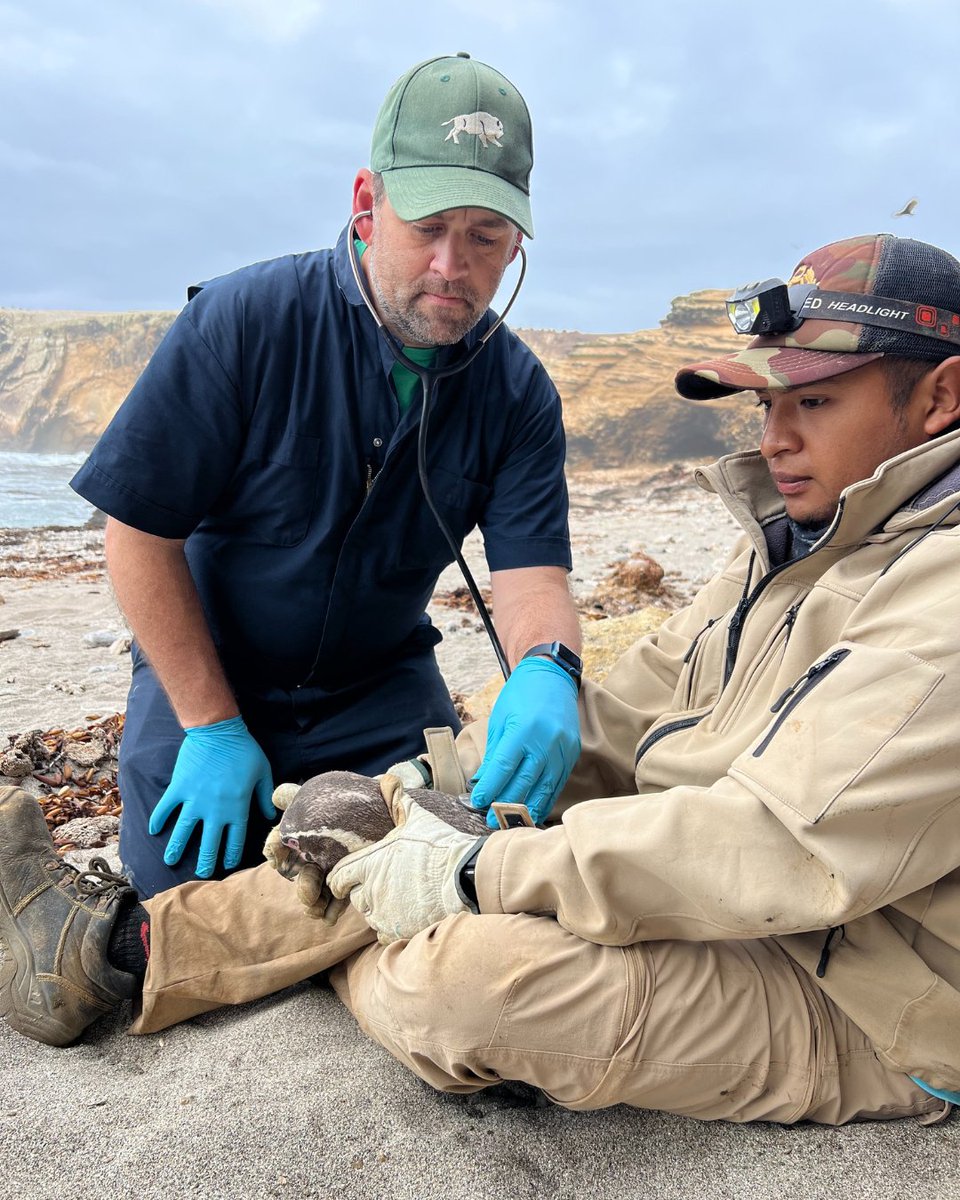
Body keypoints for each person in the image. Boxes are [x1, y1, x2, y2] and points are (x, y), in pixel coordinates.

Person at [4, 232, 959, 1126]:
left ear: (941, 397)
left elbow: (777, 848)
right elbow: (636, 716)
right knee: (384, 818)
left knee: (458, 979)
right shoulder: (802, 541)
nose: (775, 439)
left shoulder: (940, 598)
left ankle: (189, 951)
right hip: (738, 906)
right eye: (767, 404)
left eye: (816, 402)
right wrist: (438, 795)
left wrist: (471, 868)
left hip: (881, 993)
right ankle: (110, 953)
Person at [68, 52, 582, 899]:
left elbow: (533, 578)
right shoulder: (242, 322)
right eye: (427, 225)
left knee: (452, 879)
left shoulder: (519, 390)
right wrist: (211, 723)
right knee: (185, 894)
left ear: (516, 240)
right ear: (366, 206)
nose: (453, 266)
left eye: (485, 235)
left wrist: (550, 668)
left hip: (381, 687)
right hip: (208, 675)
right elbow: (138, 532)